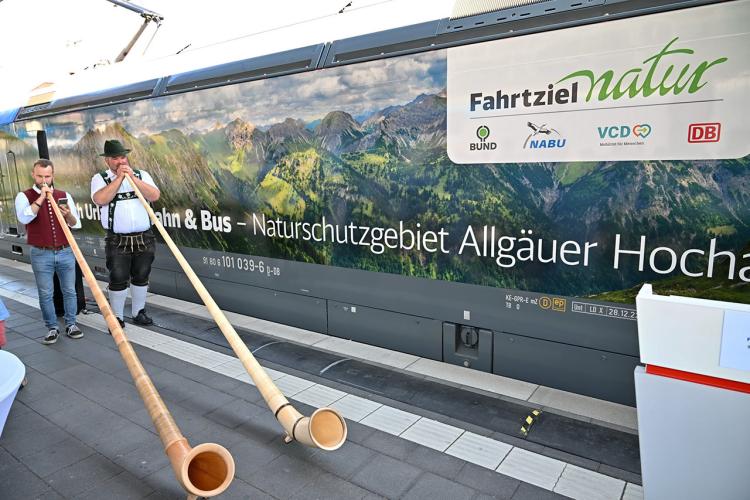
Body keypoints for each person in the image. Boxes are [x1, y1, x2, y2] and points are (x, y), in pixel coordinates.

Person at [91, 140, 160, 328]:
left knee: (142, 275)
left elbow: (154, 195)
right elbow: (100, 199)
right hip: (117, 239)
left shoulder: (141, 175)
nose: (120, 161)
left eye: (123, 157)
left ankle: (139, 312)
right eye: (115, 158)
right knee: (118, 277)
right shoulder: (100, 179)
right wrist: (119, 179)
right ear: (107, 161)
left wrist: (133, 179)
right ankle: (117, 317)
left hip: (144, 236)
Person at [15, 159, 83, 344]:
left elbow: (76, 224)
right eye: (40, 176)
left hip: (65, 251)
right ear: (33, 174)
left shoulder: (63, 194)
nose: (44, 180)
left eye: (47, 176)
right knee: (46, 293)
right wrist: (41, 197)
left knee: (69, 290)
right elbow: (24, 217)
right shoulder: (24, 196)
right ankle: (52, 327)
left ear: (53, 175)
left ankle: (71, 324)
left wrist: (67, 214)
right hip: (41, 252)